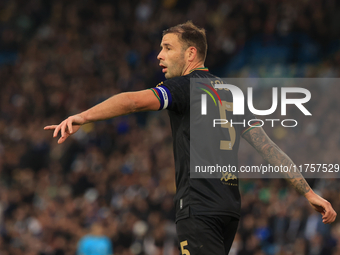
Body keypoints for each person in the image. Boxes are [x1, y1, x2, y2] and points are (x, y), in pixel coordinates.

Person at [45, 21, 336, 254]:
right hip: (228, 209)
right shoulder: (231, 94)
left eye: (167, 48)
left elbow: (133, 102)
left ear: (191, 54)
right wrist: (308, 192)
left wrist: (83, 116)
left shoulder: (184, 87)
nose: (159, 55)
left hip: (198, 207)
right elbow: (267, 148)